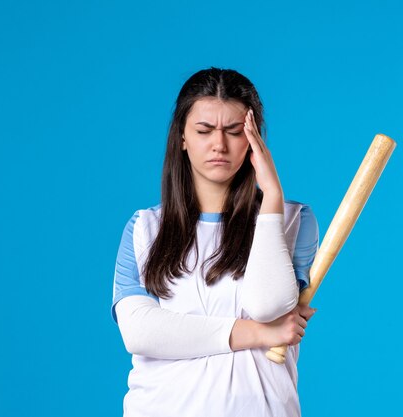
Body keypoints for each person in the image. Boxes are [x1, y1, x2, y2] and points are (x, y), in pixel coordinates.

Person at [111, 67, 319, 417]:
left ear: (255, 140)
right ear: (182, 137)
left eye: (235, 132)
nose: (218, 145)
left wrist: (271, 197)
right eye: (204, 130)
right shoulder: (145, 228)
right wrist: (257, 334)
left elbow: (268, 305)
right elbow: (142, 333)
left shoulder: (293, 220)